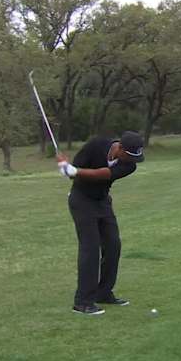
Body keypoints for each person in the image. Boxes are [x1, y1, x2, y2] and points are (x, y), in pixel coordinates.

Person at [57, 131, 145, 316]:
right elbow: (75, 172)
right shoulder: (96, 145)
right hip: (81, 199)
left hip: (102, 201)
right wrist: (68, 169)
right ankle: (82, 302)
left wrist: (74, 171)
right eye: (130, 155)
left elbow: (104, 174)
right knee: (90, 248)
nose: (132, 160)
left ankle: (103, 293)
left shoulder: (129, 166)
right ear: (120, 147)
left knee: (113, 246)